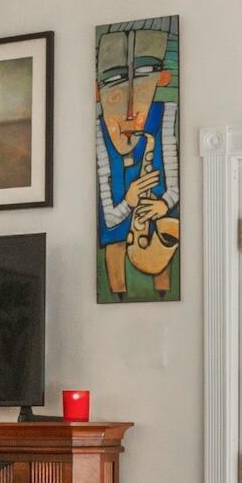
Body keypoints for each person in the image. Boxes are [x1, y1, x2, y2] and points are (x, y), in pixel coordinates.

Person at [96, 24, 178, 298]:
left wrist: (163, 204)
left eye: (141, 94)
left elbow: (174, 184)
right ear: (98, 94)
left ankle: (162, 290)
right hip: (121, 212)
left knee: (164, 235)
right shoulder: (98, 134)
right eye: (116, 96)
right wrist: (129, 202)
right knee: (114, 240)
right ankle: (117, 291)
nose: (130, 114)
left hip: (155, 209)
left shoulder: (167, 116)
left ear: (162, 79)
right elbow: (109, 215)